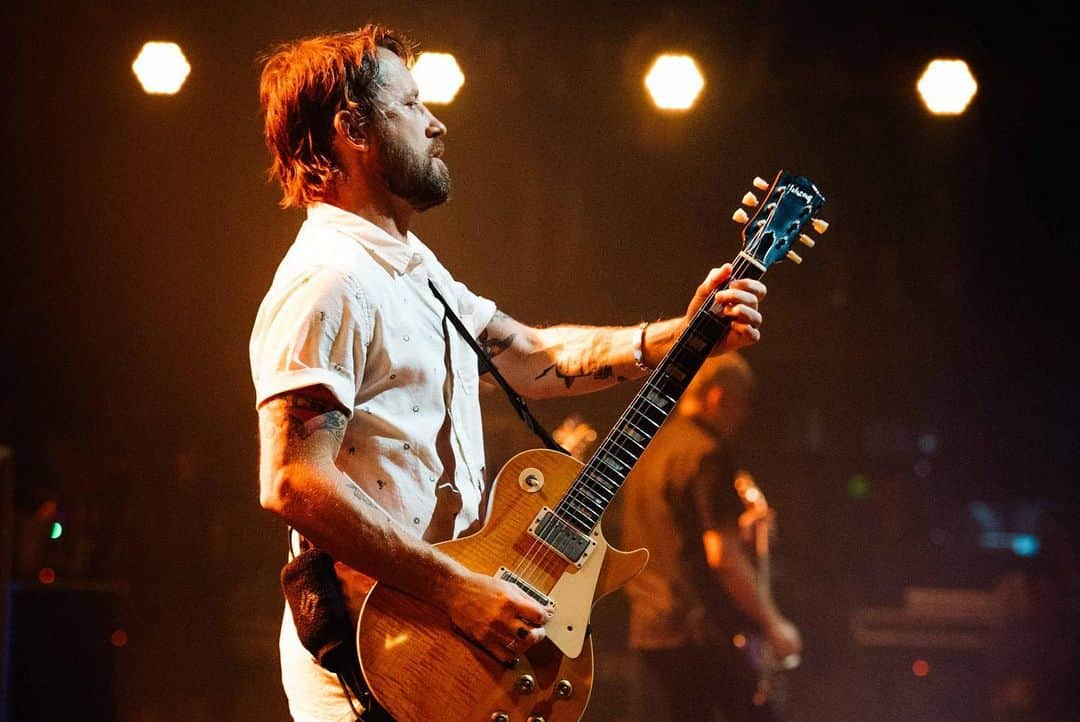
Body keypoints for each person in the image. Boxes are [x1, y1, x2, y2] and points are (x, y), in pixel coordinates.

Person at [249, 24, 767, 722]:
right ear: (353, 127)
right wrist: (459, 590)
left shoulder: (411, 268)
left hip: (439, 638)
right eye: (411, 105)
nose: (437, 124)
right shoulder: (328, 279)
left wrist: (683, 335)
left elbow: (531, 357)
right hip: (377, 653)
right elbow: (293, 480)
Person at [621, 352, 802, 722]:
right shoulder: (708, 454)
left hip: (648, 630)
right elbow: (723, 556)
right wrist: (773, 623)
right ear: (719, 397)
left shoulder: (650, 450)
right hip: (699, 635)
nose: (744, 416)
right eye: (743, 404)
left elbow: (669, 534)